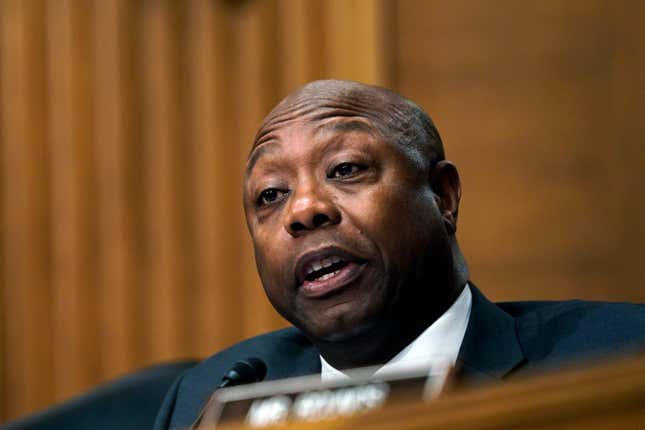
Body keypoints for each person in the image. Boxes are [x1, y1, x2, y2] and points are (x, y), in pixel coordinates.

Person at [154, 80, 645, 430]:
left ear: (444, 197)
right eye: (271, 195)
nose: (304, 210)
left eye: (345, 169)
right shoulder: (210, 399)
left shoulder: (617, 358)